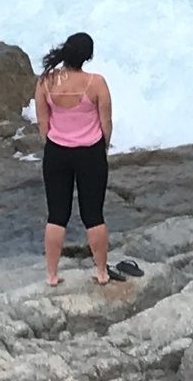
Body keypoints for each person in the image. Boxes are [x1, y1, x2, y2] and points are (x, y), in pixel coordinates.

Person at [33, 32, 114, 287]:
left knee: (56, 215)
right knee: (93, 215)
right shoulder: (96, 83)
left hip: (57, 152)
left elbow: (43, 124)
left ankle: (52, 275)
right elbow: (106, 123)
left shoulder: (45, 82)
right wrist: (103, 147)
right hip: (90, 153)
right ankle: (101, 272)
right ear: (87, 56)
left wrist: (56, 145)